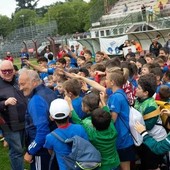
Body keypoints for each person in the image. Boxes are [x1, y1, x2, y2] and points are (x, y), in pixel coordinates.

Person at [65, 92, 120, 170]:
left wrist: (69, 104)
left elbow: (78, 122)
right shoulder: (113, 129)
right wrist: (103, 102)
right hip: (115, 164)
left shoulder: (92, 135)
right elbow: (107, 114)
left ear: (93, 125)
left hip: (102, 166)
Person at [18, 69, 58, 170]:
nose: (20, 88)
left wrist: (30, 151)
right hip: (52, 144)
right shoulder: (49, 91)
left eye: (23, 84)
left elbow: (42, 132)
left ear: (34, 82)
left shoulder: (36, 100)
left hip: (41, 149)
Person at [44, 98, 89, 170]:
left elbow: (51, 152)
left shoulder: (50, 137)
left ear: (51, 117)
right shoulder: (80, 128)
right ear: (70, 114)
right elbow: (87, 145)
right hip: (81, 167)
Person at [134, 73, 167, 170]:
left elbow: (147, 126)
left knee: (151, 165)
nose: (136, 89)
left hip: (156, 141)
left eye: (139, 88)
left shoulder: (151, 106)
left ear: (146, 93)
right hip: (146, 139)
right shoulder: (139, 99)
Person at [0, 60, 27, 170]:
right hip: (9, 124)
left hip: (24, 121)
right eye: (4, 71)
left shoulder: (18, 80)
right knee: (16, 151)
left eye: (9, 70)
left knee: (20, 148)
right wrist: (5, 103)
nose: (7, 73)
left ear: (14, 70)